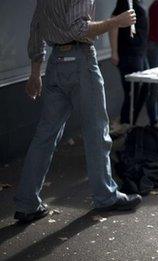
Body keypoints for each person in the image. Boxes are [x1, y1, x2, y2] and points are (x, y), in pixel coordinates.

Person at [15, 0, 143, 223]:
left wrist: (35, 72)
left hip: (55, 63)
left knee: (44, 136)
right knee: (97, 133)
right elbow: (79, 29)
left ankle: (26, 203)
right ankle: (105, 196)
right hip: (80, 60)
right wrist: (117, 22)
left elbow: (36, 28)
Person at [109, 0, 149, 132]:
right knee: (132, 92)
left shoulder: (138, 3)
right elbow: (113, 25)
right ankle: (125, 124)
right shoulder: (125, 3)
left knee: (144, 87)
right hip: (129, 54)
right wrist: (114, 52)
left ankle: (127, 122)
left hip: (140, 53)